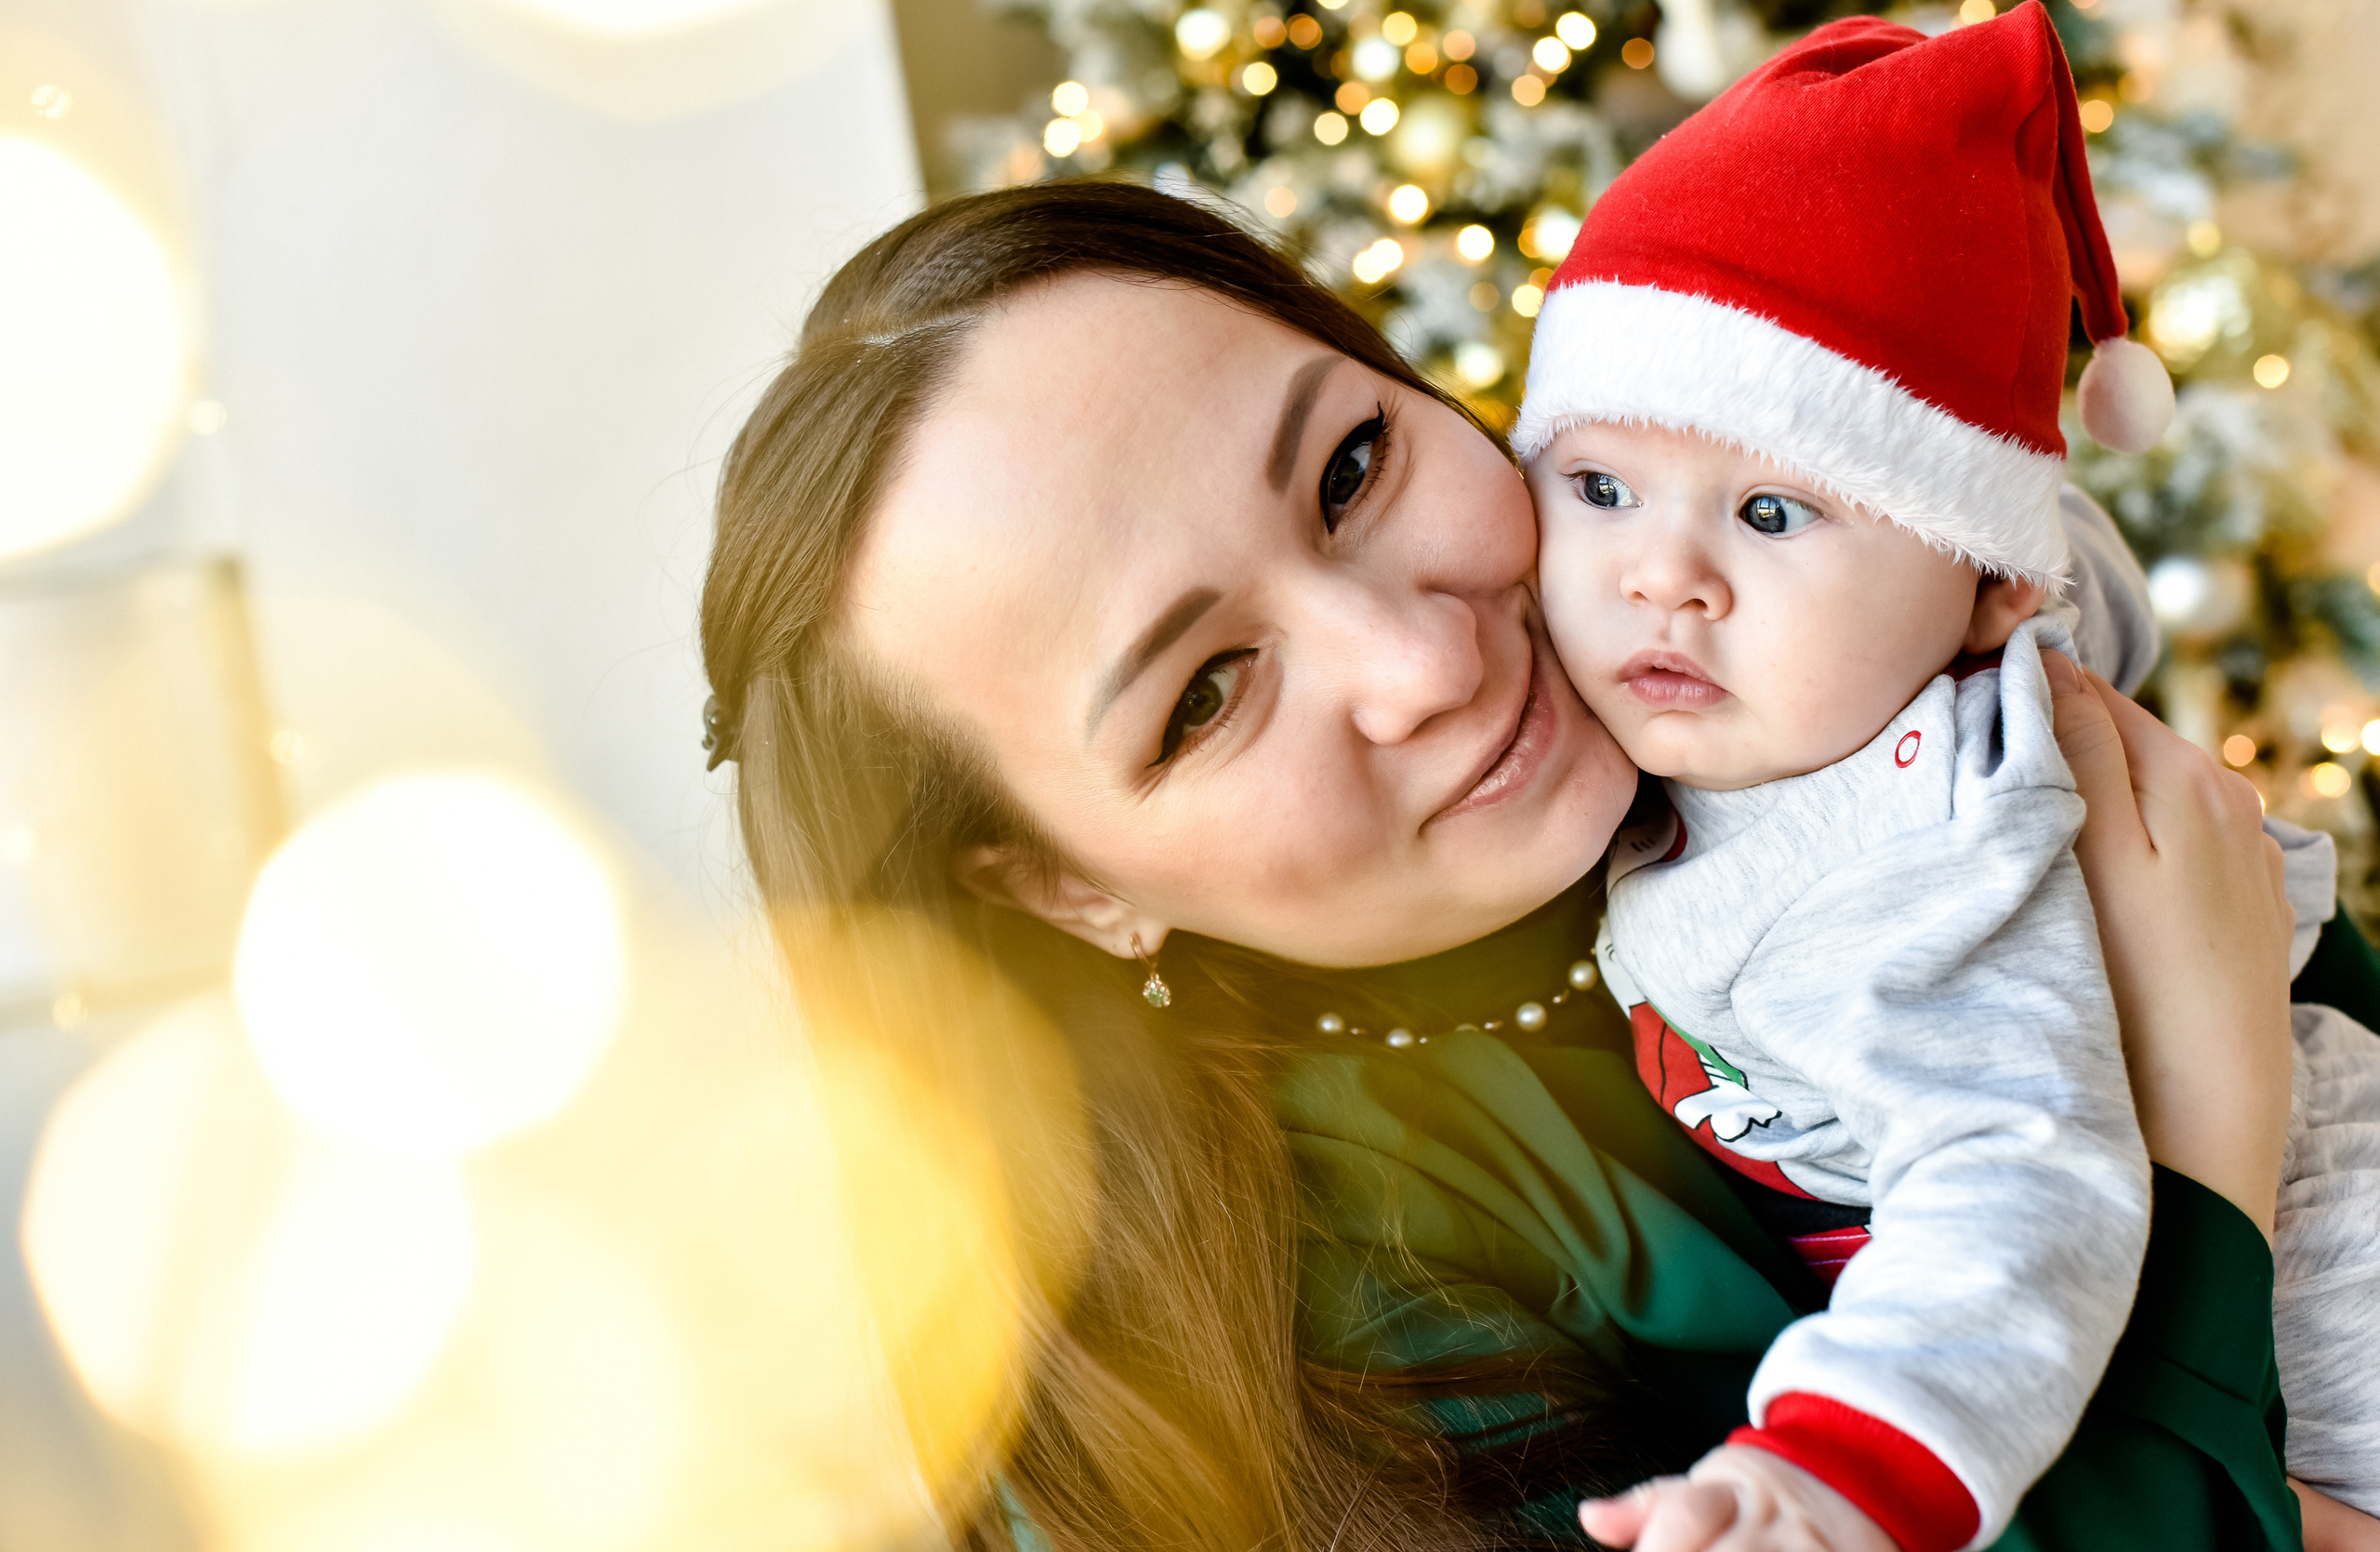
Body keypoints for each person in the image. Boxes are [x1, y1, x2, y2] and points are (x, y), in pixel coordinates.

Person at [697, 179, 2355, 1551]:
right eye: (1205, 693)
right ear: (1065, 884)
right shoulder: (1258, 1356)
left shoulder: (1756, 673)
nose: (1418, 662)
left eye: (1352, 468)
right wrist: (2207, 1132)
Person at [1509, 8, 2380, 1550]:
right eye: (1597, 486)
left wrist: (1843, 1473)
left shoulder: (1912, 848)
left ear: (1988, 594)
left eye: (1774, 514)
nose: (1664, 577)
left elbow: (2016, 1168)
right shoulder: (1843, 697)